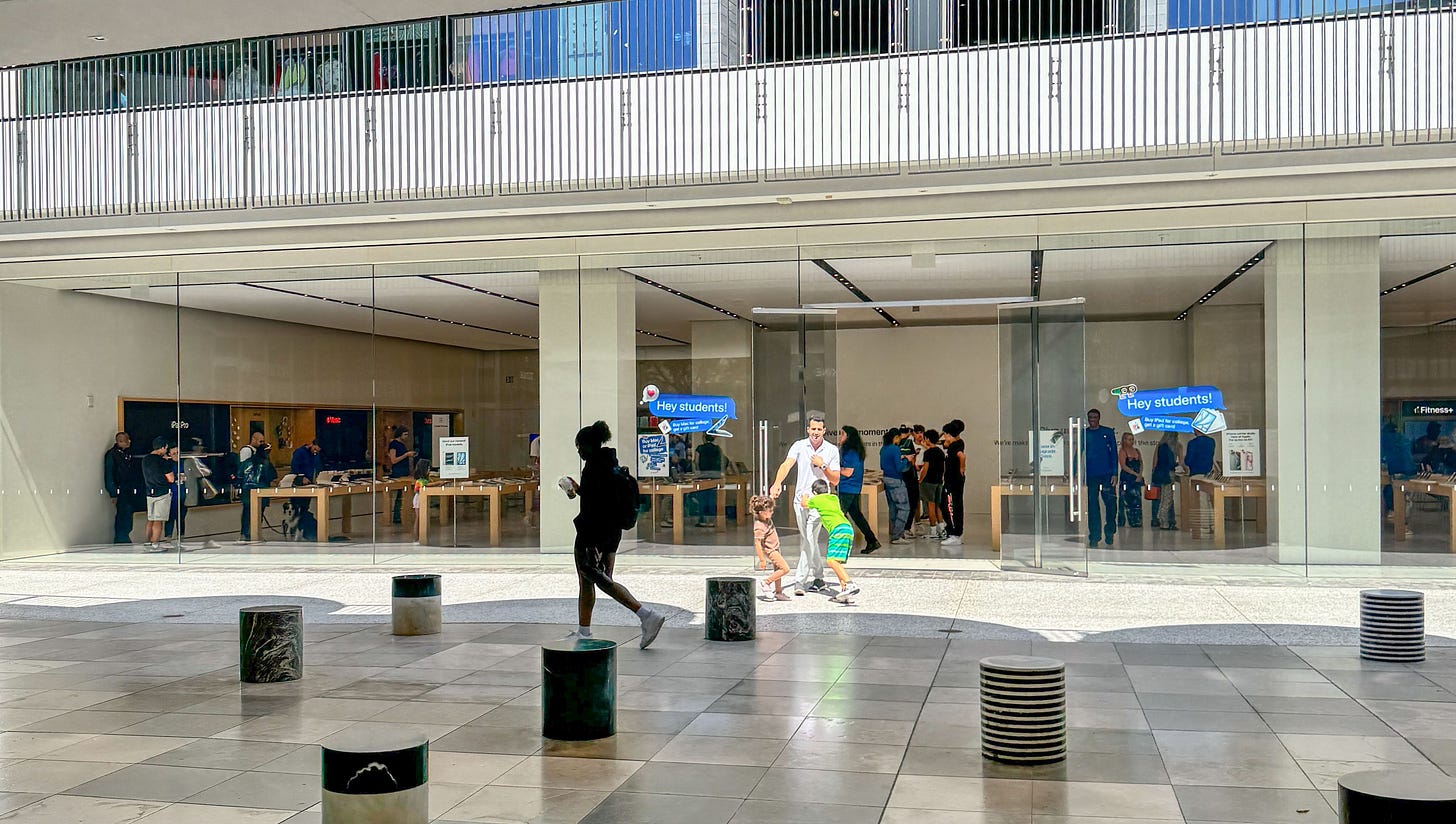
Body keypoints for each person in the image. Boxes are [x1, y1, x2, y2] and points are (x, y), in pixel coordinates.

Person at [560, 421, 666, 648]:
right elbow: (600, 497)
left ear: (589, 445)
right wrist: (580, 489)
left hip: (591, 533)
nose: (578, 451)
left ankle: (645, 614)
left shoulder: (593, 468)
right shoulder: (610, 465)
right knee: (593, 580)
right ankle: (584, 631)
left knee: (596, 579)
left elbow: (594, 504)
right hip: (611, 532)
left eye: (579, 446)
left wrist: (573, 491)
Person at [769, 416, 840, 596]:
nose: (816, 432)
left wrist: (822, 465)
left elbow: (835, 479)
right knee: (809, 540)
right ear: (808, 429)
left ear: (824, 430)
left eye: (819, 429)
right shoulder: (799, 446)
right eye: (813, 429)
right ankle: (818, 577)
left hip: (820, 502)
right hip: (800, 500)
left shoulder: (831, 450)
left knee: (809, 538)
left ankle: (799, 581)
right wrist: (777, 483)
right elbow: (787, 465)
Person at [800, 480, 861, 603]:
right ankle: (845, 593)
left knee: (831, 560)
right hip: (847, 528)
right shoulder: (834, 498)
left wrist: (805, 495)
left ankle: (850, 584)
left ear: (814, 492)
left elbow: (804, 504)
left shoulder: (816, 499)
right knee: (837, 561)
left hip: (837, 530)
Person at [835, 426, 880, 554]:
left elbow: (848, 472)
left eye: (842, 434)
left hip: (847, 488)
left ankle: (843, 542)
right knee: (856, 515)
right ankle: (872, 540)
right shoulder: (852, 451)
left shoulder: (850, 452)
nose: (840, 437)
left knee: (839, 515)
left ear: (849, 437)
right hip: (852, 488)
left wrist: (828, 469)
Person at [1083, 409, 1118, 548]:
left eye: (1095, 417)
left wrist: (1115, 473)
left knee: (1111, 505)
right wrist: (1073, 472)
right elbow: (1078, 452)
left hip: (1107, 475)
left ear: (1099, 418)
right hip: (1091, 475)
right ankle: (1094, 536)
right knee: (1092, 507)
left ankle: (1110, 531)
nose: (1092, 419)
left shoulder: (1108, 432)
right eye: (1090, 417)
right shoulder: (1084, 434)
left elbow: (1114, 453)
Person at [103, 432, 143, 544]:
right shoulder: (112, 455)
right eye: (127, 440)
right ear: (120, 441)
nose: (129, 442)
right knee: (122, 513)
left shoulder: (128, 454)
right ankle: (121, 537)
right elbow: (109, 475)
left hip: (129, 488)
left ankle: (126, 534)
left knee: (128, 512)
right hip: (120, 489)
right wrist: (113, 492)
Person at [874, 430, 910, 551]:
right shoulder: (895, 449)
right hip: (896, 480)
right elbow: (900, 467)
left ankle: (894, 534)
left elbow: (882, 466)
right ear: (896, 437)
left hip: (887, 479)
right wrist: (906, 460)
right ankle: (897, 535)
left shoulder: (883, 449)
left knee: (893, 508)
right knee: (904, 508)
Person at [751, 495, 792, 601]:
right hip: (771, 550)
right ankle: (766, 582)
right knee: (785, 568)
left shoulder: (767, 520)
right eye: (769, 510)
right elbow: (757, 543)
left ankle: (778, 592)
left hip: (776, 548)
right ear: (761, 512)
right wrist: (762, 560)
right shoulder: (759, 526)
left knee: (778, 569)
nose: (772, 512)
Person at [140, 437, 176, 551]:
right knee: (158, 520)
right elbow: (171, 478)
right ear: (163, 447)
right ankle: (155, 543)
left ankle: (147, 542)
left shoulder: (145, 459)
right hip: (162, 492)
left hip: (149, 492)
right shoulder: (163, 462)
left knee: (150, 519)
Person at [238, 439, 277, 541]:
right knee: (259, 513)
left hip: (247, 490)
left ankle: (244, 534)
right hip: (261, 491)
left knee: (246, 513)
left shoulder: (247, 462)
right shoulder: (266, 463)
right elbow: (272, 476)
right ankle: (256, 534)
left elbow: (240, 475)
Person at [1381, 421, 1416, 522]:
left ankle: (1397, 521)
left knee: (1392, 494)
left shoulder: (1385, 438)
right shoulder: (1403, 439)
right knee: (1406, 497)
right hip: (1410, 471)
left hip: (1396, 470)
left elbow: (1382, 454)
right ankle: (1404, 523)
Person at [940, 420, 967, 546]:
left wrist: (962, 468)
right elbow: (944, 443)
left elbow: (962, 456)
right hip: (950, 480)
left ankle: (955, 534)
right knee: (945, 504)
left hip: (954, 481)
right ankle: (951, 530)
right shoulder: (955, 443)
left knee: (951, 507)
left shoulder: (956, 446)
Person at [1186, 429, 1218, 537]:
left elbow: (1188, 460)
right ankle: (1214, 525)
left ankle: (1204, 526)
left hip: (1196, 474)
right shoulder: (1211, 441)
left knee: (1201, 501)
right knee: (1210, 500)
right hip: (1209, 474)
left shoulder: (1192, 443)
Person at [1150, 431, 1182, 531]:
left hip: (1159, 475)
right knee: (1167, 499)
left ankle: (1159, 518)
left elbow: (1155, 463)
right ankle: (1164, 521)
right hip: (1168, 475)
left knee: (1162, 498)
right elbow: (1176, 463)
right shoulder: (1175, 447)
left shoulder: (1160, 446)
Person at [386, 426, 418, 525]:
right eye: (405, 434)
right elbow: (393, 460)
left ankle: (402, 515)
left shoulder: (403, 444)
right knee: (399, 495)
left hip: (405, 471)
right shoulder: (394, 444)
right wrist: (406, 455)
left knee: (404, 494)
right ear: (400, 434)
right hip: (398, 472)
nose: (406, 437)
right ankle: (397, 516)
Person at [693, 434, 725, 528]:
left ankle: (702, 519)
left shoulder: (700, 448)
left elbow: (696, 461)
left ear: (704, 438)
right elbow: (722, 461)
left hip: (703, 474)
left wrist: (698, 471)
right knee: (712, 497)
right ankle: (711, 519)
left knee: (702, 498)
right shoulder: (717, 449)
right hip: (715, 475)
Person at [919, 428, 945, 540]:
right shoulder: (940, 452)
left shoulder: (928, 453)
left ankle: (933, 530)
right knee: (938, 505)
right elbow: (943, 468)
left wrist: (920, 480)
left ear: (928, 439)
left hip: (928, 482)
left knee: (930, 505)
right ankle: (941, 528)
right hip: (939, 481)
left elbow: (925, 468)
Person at [1116, 432, 1144, 529]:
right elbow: (1123, 466)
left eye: (1132, 439)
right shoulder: (1122, 451)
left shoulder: (1137, 450)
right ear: (1124, 440)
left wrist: (1140, 474)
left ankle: (1136, 520)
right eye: (1129, 439)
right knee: (1125, 499)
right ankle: (1124, 520)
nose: (1131, 441)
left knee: (1137, 498)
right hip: (1127, 478)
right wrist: (1135, 474)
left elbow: (1141, 463)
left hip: (1136, 478)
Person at [901, 425, 923, 532]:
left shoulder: (924, 446)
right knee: (911, 501)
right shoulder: (907, 443)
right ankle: (906, 527)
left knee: (915, 501)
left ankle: (912, 524)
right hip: (909, 476)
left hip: (917, 477)